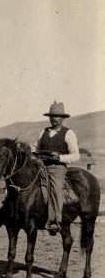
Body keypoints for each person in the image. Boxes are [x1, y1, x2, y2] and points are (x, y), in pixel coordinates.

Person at [32, 101, 80, 235]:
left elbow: (76, 155)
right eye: (52, 116)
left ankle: (54, 221)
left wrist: (59, 158)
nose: (54, 119)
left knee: (55, 188)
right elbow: (35, 147)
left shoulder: (68, 133)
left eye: (57, 116)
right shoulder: (43, 132)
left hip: (57, 168)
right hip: (40, 165)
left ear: (63, 118)